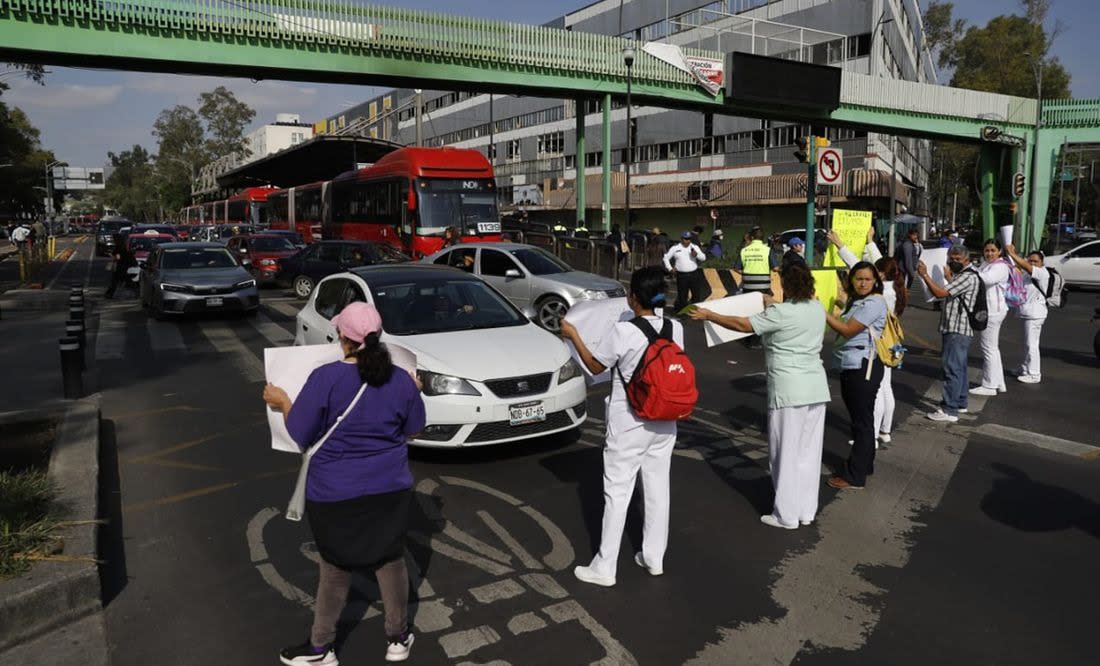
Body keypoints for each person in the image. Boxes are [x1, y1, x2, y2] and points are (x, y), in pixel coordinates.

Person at [262, 302, 425, 665]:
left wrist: (282, 400)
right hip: (391, 489)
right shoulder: (401, 380)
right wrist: (414, 390)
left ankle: (321, 648)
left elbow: (300, 433)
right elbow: (414, 429)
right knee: (391, 561)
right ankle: (398, 638)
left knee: (335, 568)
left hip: (334, 493)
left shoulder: (325, 378)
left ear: (342, 337)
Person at [559, 267, 683, 585]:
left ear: (632, 298)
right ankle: (654, 557)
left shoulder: (624, 331)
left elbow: (595, 365)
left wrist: (574, 335)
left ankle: (605, 566)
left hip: (629, 420)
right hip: (665, 420)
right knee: (658, 489)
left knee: (617, 492)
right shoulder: (675, 328)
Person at [689, 263, 829, 528]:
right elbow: (789, 312)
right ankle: (805, 511)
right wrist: (768, 300)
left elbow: (744, 324)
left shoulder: (780, 312)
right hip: (816, 387)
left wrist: (710, 315)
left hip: (789, 388)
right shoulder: (816, 308)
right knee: (808, 453)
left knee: (784, 452)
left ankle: (785, 515)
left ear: (786, 284)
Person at [828, 229, 907, 447]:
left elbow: (859, 266)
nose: (865, 280)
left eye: (872, 275)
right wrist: (870, 242)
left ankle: (870, 436)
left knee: (876, 392)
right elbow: (878, 262)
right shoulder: (895, 286)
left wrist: (840, 245)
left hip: (876, 345)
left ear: (880, 275)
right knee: (886, 388)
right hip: (890, 343)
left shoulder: (881, 294)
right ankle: (885, 430)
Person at [824, 262, 888, 489]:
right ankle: (864, 465)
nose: (862, 283)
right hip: (851, 364)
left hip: (863, 366)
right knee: (862, 420)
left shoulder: (874, 302)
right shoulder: (858, 301)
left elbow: (848, 330)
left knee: (861, 422)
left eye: (867, 279)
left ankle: (854, 476)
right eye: (858, 278)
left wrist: (820, 311)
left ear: (875, 281)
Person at [917, 243, 980, 423]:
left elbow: (940, 293)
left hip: (957, 328)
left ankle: (949, 409)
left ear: (966, 259)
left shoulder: (967, 276)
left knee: (951, 369)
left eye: (957, 259)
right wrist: (949, 277)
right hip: (957, 327)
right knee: (959, 368)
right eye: (951, 259)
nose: (953, 261)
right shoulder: (964, 275)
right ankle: (960, 402)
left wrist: (925, 275)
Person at [970, 238, 1010, 397]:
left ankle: (989, 385)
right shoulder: (987, 264)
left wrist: (970, 269)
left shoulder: (1000, 267)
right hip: (991, 309)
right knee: (992, 348)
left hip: (994, 311)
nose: (989, 253)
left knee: (988, 348)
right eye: (987, 250)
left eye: (993, 250)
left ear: (999, 251)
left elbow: (985, 280)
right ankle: (999, 382)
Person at [1005, 244, 1048, 384]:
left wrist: (1012, 253)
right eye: (1030, 260)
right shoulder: (1027, 275)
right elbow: (1016, 270)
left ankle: (1035, 374)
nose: (1032, 263)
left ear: (1042, 263)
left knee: (1032, 344)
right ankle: (1025, 369)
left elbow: (1024, 266)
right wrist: (1011, 258)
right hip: (1028, 313)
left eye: (1036, 261)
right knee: (1027, 343)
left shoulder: (1042, 273)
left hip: (1036, 314)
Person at [663, 231, 709, 312]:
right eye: (685, 239)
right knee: (682, 296)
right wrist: (670, 268)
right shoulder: (675, 248)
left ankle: (695, 312)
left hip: (694, 274)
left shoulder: (694, 247)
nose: (687, 241)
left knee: (696, 295)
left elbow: (703, 258)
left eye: (689, 239)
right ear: (681, 239)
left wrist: (696, 255)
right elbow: (666, 258)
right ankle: (682, 313)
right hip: (681, 276)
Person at [737, 226, 775, 295]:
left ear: (752, 237)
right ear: (762, 238)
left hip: (747, 287)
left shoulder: (743, 250)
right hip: (764, 288)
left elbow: (737, 268)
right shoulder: (768, 250)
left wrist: (747, 274)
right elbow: (775, 268)